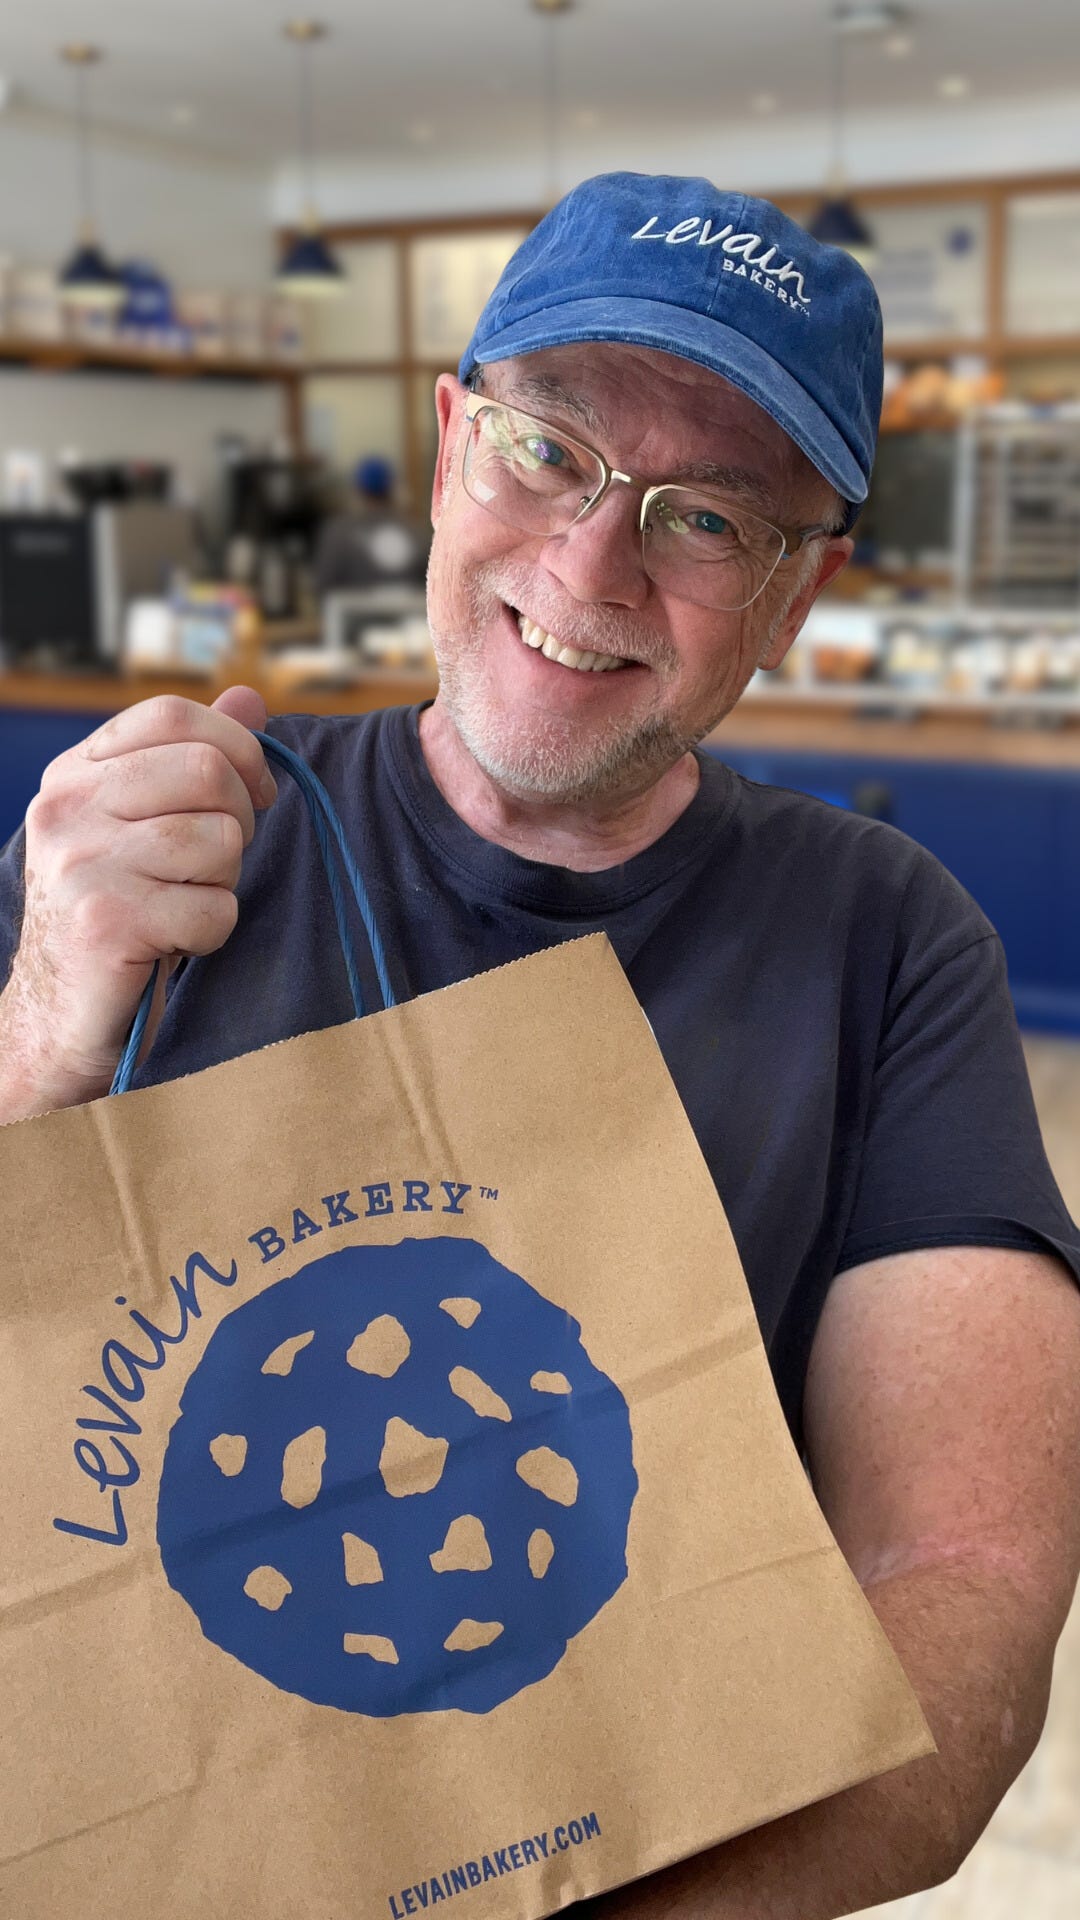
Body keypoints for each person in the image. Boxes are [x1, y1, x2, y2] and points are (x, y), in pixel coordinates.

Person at [2, 173, 1080, 1918]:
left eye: (707, 517)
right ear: (452, 446)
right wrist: (41, 1036)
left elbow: (966, 1581)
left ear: (800, 591)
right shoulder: (144, 857)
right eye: (546, 449)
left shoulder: (887, 945)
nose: (589, 565)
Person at [313, 452, 430, 596]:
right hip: (414, 610)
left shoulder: (338, 534)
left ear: (357, 491)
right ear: (392, 490)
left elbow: (323, 587)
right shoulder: (416, 534)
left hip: (353, 611)